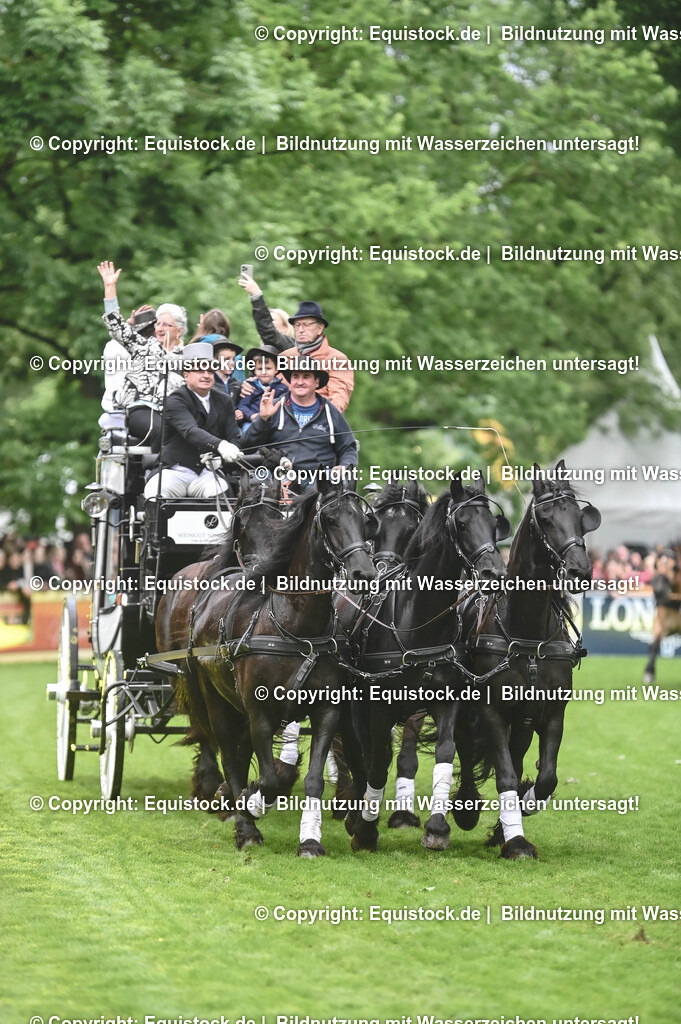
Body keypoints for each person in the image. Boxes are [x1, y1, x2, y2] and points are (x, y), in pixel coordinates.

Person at [97, 261, 186, 449]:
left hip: (175, 413)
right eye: (158, 324)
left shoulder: (187, 358)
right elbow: (116, 326)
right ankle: (156, 473)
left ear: (179, 331)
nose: (160, 329)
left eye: (166, 325)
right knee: (161, 430)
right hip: (142, 409)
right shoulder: (143, 347)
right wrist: (110, 287)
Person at [144, 342, 242, 499]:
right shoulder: (174, 400)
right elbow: (190, 431)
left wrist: (222, 459)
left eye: (210, 370)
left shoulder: (224, 400)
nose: (206, 375)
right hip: (175, 471)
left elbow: (234, 438)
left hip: (207, 473)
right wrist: (220, 445)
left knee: (221, 493)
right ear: (186, 374)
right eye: (199, 370)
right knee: (155, 493)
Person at [245, 360, 358, 488]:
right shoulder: (274, 406)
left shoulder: (330, 411)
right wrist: (262, 419)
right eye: (295, 377)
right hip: (277, 473)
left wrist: (344, 466)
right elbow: (247, 446)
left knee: (337, 496)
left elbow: (348, 448)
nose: (300, 382)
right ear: (290, 381)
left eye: (306, 377)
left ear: (317, 382)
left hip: (318, 479)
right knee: (252, 490)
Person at [279, 301, 353, 413]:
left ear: (320, 328)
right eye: (297, 325)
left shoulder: (337, 359)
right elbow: (268, 386)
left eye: (307, 325)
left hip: (319, 419)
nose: (301, 330)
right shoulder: (284, 357)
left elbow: (339, 398)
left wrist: (323, 417)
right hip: (284, 417)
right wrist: (249, 385)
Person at [238, 272, 295, 353]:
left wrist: (256, 295)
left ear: (284, 327)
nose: (268, 322)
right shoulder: (267, 348)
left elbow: (267, 330)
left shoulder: (289, 346)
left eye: (271, 320)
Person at [237, 346, 288, 434]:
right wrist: (251, 416)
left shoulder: (282, 388)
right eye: (260, 369)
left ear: (276, 369)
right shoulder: (250, 387)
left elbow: (286, 407)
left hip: (274, 422)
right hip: (252, 421)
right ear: (254, 370)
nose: (264, 372)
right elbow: (242, 406)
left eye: (268, 368)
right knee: (246, 433)